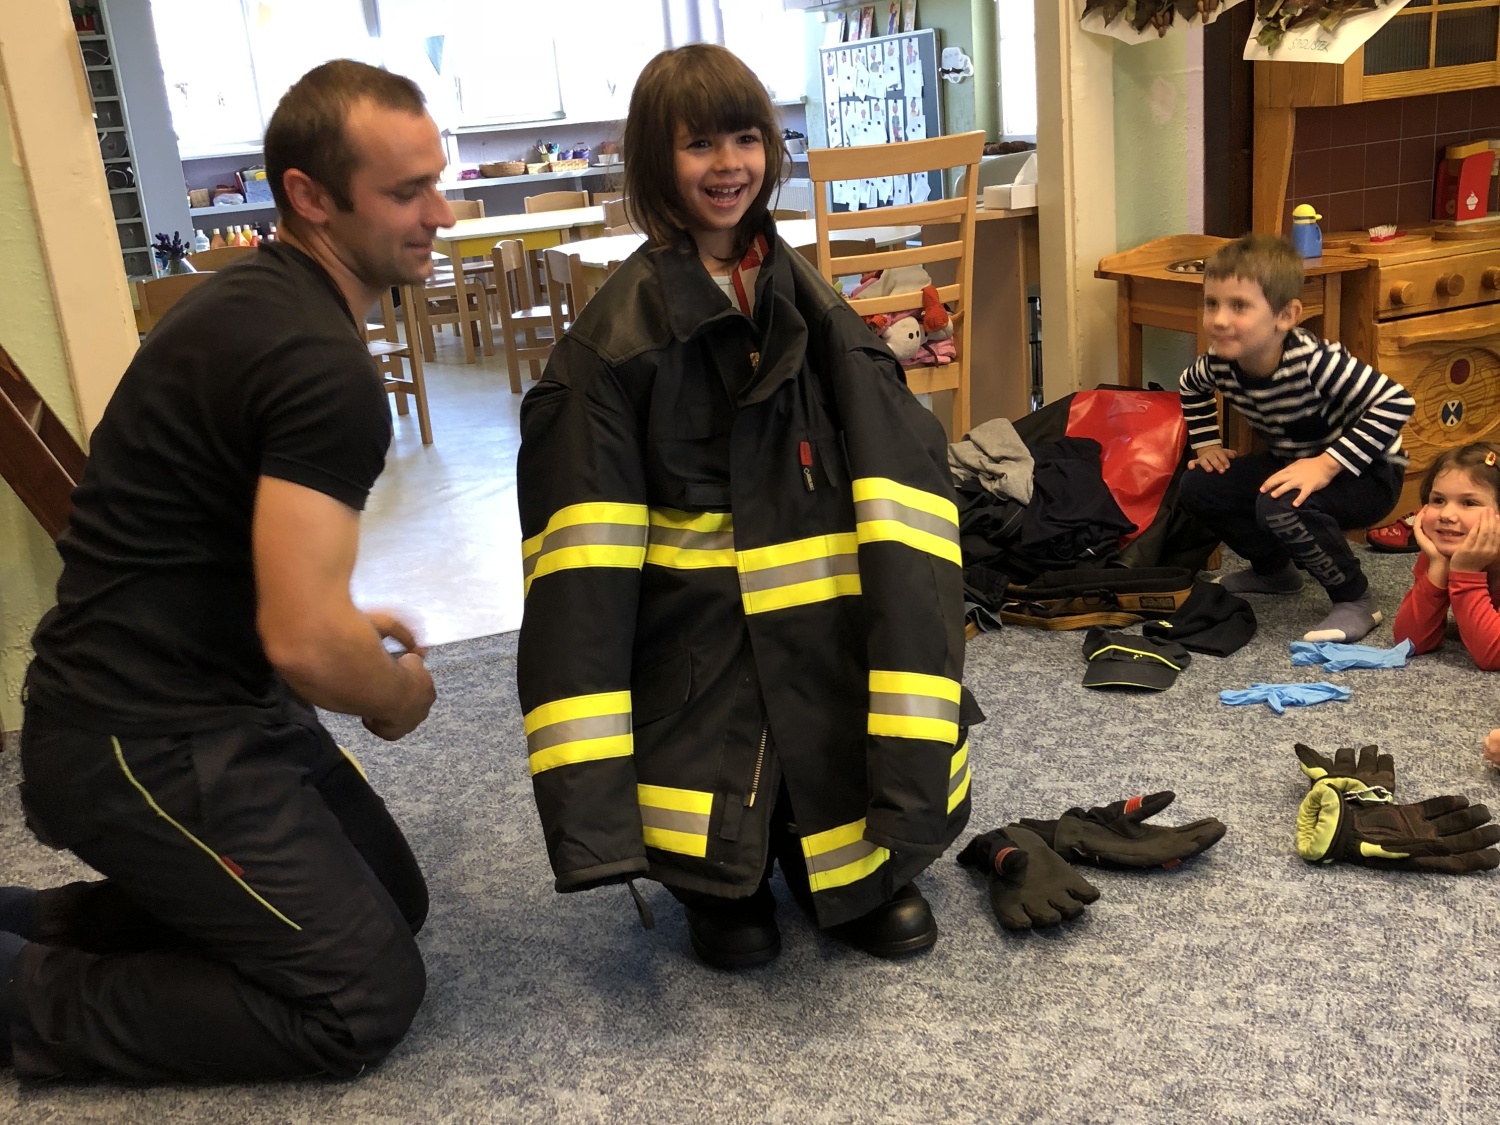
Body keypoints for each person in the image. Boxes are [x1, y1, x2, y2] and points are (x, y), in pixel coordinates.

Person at [1, 60, 449, 1081]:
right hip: (135, 737)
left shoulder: (254, 297)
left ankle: (39, 924)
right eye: (406, 191)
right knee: (361, 999)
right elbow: (306, 645)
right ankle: (19, 995)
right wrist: (396, 695)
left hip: (216, 694)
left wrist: (328, 619)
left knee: (394, 901)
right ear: (310, 196)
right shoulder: (320, 363)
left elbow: (223, 551)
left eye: (436, 180)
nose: (442, 212)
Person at [515, 44, 975, 971]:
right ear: (656, 161)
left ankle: (835, 855)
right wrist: (594, 816)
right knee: (713, 745)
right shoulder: (612, 347)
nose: (728, 164)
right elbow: (582, 585)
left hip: (820, 615)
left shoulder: (810, 304)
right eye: (699, 145)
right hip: (693, 631)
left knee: (834, 700)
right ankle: (717, 878)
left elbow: (898, 473)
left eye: (745, 139)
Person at [1177, 234, 1415, 643]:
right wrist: (1207, 445)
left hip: (1369, 473)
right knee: (1199, 485)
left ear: (1285, 316)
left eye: (1239, 306)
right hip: (1294, 461)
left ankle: (1355, 599)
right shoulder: (1218, 363)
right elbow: (1190, 386)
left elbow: (1396, 402)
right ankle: (1274, 572)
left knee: (1280, 503)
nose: (1219, 319)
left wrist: (1327, 464)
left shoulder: (1316, 362)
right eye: (1211, 303)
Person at [1392, 443, 1500, 672]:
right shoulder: (1443, 551)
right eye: (1438, 500)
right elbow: (1409, 641)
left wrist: (1466, 575)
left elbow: (1493, 656)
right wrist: (1438, 567)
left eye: (1469, 503)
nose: (1447, 515)